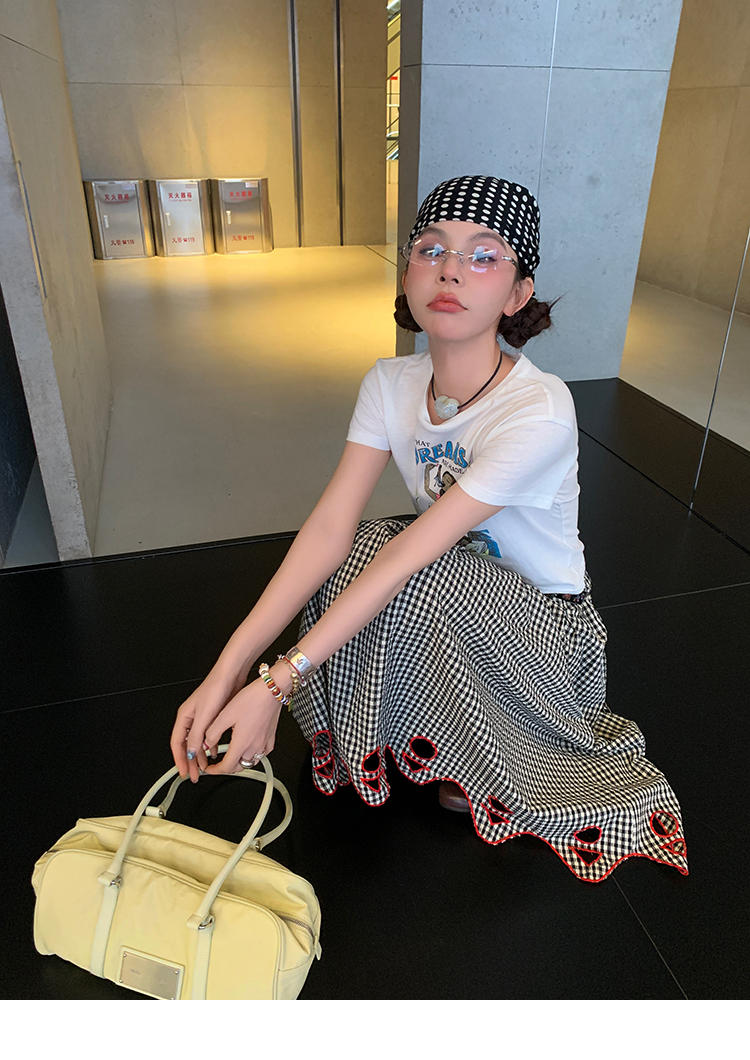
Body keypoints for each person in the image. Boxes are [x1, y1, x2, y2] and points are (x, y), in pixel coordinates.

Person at [171, 175, 688, 882]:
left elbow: (412, 556)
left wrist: (277, 683)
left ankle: (497, 747)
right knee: (360, 544)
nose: (451, 270)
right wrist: (228, 669)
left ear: (517, 294)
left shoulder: (539, 410)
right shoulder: (390, 384)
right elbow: (328, 528)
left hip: (545, 637)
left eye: (484, 256)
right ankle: (431, 732)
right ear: (407, 274)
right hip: (457, 595)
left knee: (407, 562)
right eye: (431, 249)